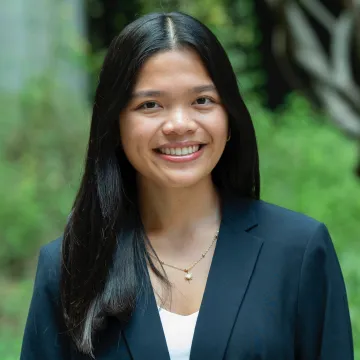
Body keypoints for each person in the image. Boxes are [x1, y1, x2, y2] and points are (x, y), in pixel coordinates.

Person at [20, 11, 353, 360]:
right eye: (151, 105)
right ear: (115, 123)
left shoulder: (299, 251)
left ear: (229, 118)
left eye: (202, 101)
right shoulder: (70, 265)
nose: (179, 124)